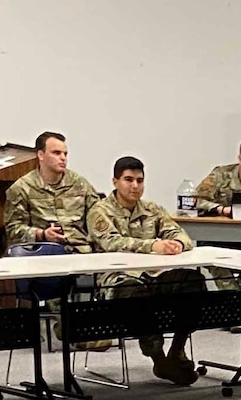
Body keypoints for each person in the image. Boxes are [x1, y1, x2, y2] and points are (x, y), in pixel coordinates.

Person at [86, 156, 201, 385]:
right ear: (115, 181)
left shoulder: (152, 210)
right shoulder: (100, 212)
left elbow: (180, 234)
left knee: (192, 280)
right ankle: (159, 360)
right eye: (128, 179)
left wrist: (176, 243)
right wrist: (153, 246)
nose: (135, 186)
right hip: (118, 280)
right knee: (136, 294)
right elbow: (112, 243)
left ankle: (177, 349)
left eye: (139, 180)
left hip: (155, 274)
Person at [4, 131, 97, 255]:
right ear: (41, 155)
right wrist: (41, 234)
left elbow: (98, 217)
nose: (63, 158)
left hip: (79, 251)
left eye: (65, 154)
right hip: (42, 251)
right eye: (56, 153)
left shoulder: (80, 184)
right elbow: (13, 229)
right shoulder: (22, 188)